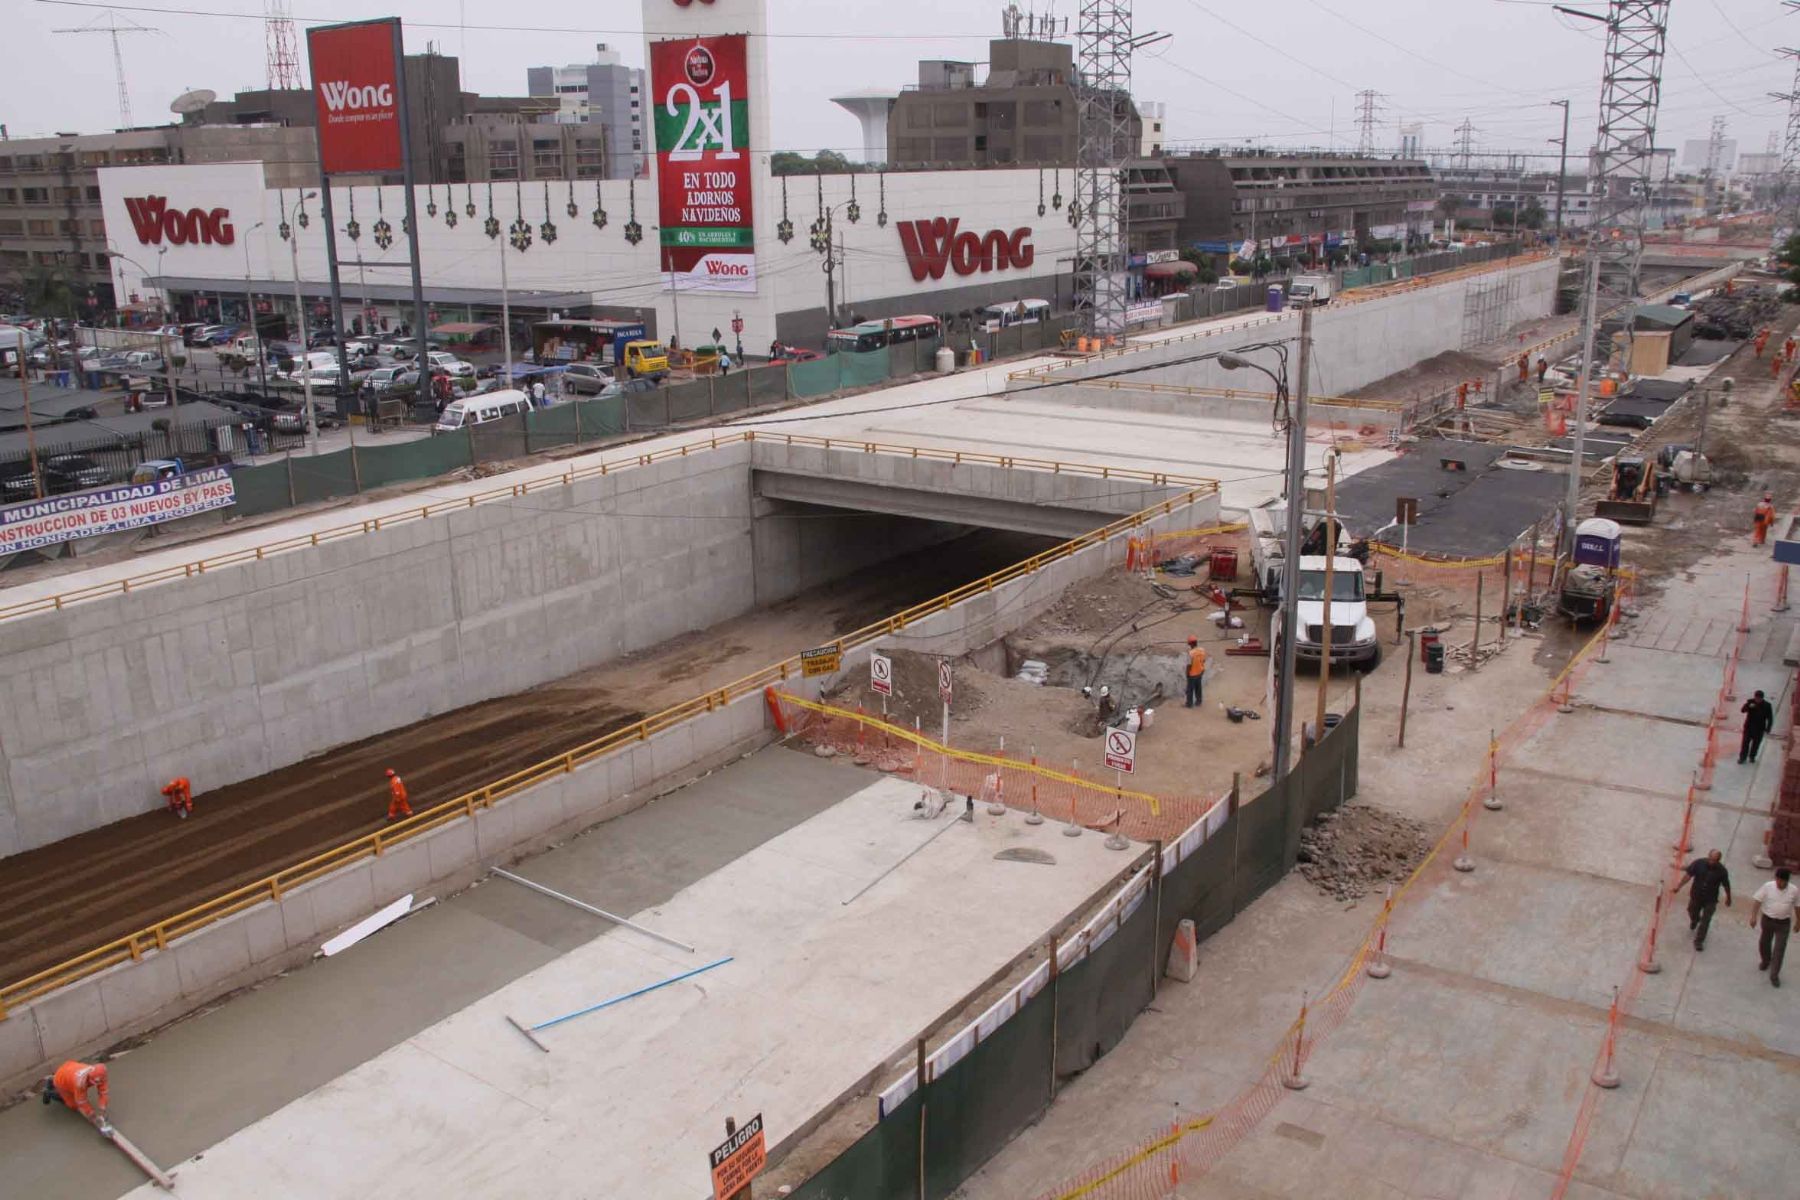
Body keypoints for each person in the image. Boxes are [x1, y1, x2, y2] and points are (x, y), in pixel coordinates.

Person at [1749, 867, 1800, 987]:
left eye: (1782, 881)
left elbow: (1797, 906)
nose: (1779, 883)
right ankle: (1766, 960)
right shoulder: (1768, 886)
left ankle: (1774, 975)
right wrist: (1753, 916)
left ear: (1787, 881)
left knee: (1779, 949)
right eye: (1778, 880)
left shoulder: (1794, 890)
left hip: (1783, 924)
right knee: (1764, 943)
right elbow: (1757, 900)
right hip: (1768, 920)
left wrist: (1798, 922)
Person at [1673, 849, 1732, 950]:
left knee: (1706, 921)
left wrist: (1728, 898)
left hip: (1711, 899)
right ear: (1708, 856)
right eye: (1711, 859)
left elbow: (1726, 885)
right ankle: (1695, 920)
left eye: (1715, 860)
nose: (1712, 862)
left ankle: (1699, 941)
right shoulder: (1698, 863)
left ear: (1718, 860)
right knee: (1691, 910)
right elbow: (1688, 875)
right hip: (1696, 896)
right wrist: (1679, 887)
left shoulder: (1722, 871)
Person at [41, 1060, 109, 1119]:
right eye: (95, 1082)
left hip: (69, 1068)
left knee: (74, 1089)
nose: (97, 1083)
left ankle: (52, 1079)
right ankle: (48, 1092)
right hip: (61, 1080)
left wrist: (102, 1107)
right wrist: (91, 1113)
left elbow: (103, 1092)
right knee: (73, 1105)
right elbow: (81, 1102)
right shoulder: (80, 1083)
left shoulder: (99, 1073)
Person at [1741, 690, 1776, 764]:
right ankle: (1742, 758)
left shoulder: (1767, 705)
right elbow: (1742, 710)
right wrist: (1748, 706)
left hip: (1759, 729)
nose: (1757, 700)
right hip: (1749, 727)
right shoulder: (1750, 702)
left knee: (1756, 744)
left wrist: (1768, 728)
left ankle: (1752, 757)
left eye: (1759, 699)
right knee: (1745, 743)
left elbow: (1770, 718)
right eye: (1756, 698)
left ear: (1762, 698)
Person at [1185, 636, 1207, 708]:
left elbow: (1189, 665)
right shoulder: (1202, 650)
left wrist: (1187, 674)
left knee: (1190, 689)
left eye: (1189, 644)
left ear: (1191, 644)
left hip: (1192, 674)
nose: (1189, 646)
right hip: (1200, 672)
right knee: (1198, 688)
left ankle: (1189, 704)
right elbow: (1204, 660)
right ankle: (1198, 701)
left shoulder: (1190, 653)